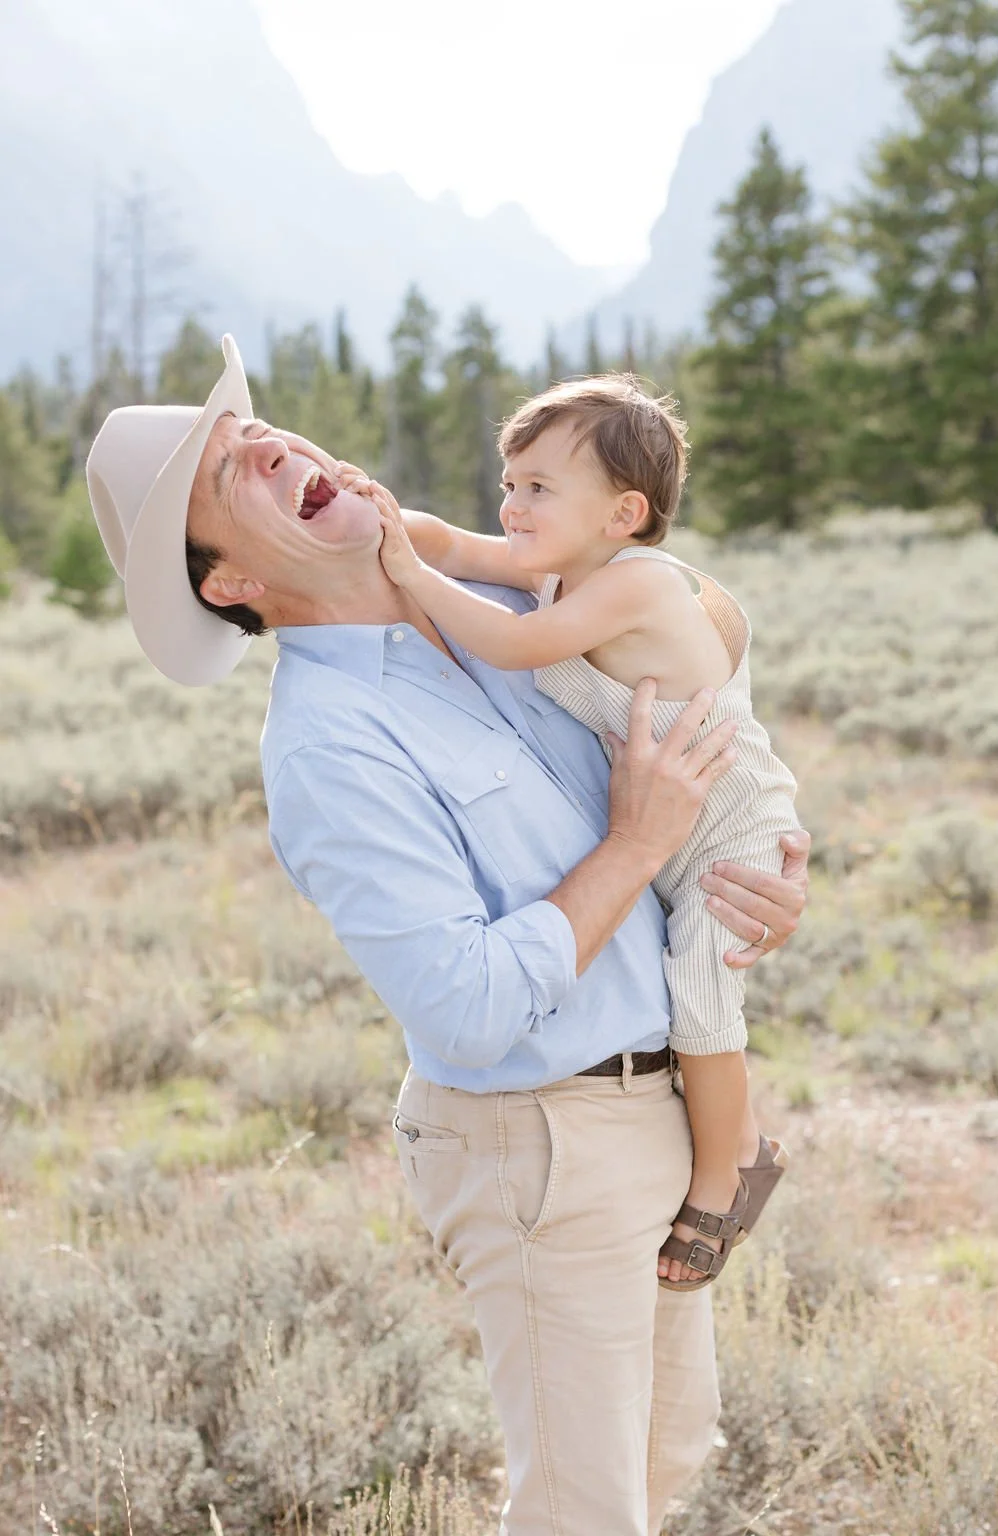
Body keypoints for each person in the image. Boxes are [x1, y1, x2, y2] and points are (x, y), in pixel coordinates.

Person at [85, 336, 810, 1536]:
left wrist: (753, 878)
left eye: (260, 430)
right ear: (227, 585)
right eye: (232, 472)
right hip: (540, 1146)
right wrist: (635, 844)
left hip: (657, 1109)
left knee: (663, 1462)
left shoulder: (523, 607)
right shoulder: (330, 744)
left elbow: (697, 690)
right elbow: (465, 1005)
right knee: (585, 1515)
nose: (270, 442)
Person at [370, 375, 796, 1291]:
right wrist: (376, 517)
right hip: (664, 822)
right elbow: (453, 541)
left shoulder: (632, 584)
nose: (512, 504)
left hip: (725, 826)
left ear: (624, 512)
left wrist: (411, 580)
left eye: (538, 488)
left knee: (702, 1001)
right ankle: (711, 1144)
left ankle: (732, 1168)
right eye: (509, 480)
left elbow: (519, 644)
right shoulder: (566, 564)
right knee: (684, 981)